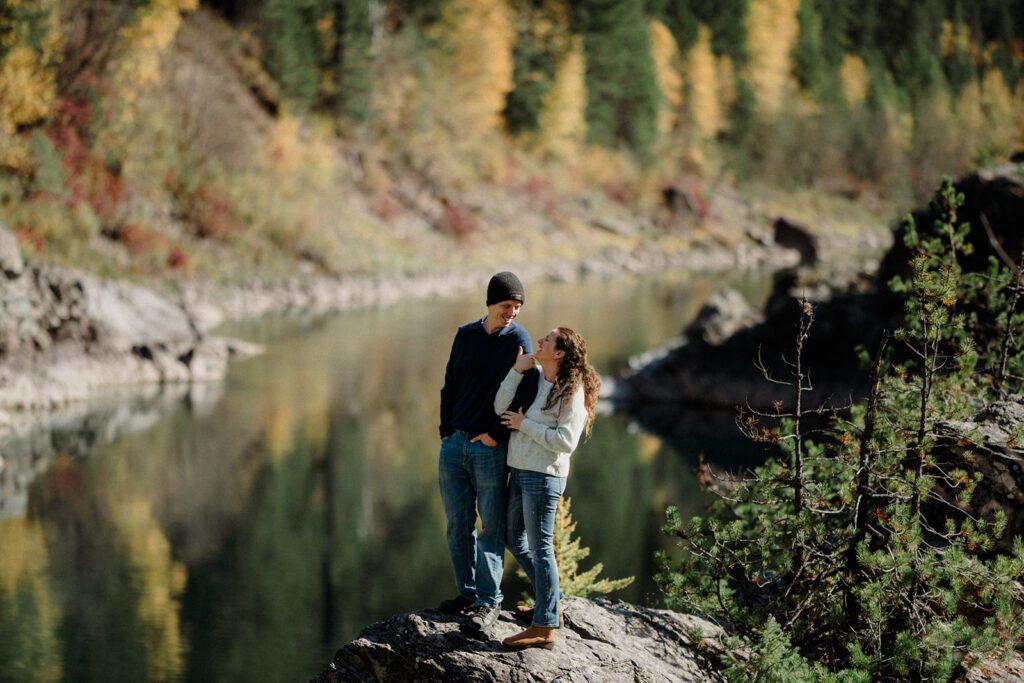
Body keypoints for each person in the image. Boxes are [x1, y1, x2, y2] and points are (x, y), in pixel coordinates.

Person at [437, 272, 532, 633]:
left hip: (490, 448)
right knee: (457, 525)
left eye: (518, 307)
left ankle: (489, 602)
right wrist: (445, 431)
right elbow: (450, 384)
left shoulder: (518, 340)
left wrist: (495, 433)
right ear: (490, 303)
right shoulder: (466, 335)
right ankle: (468, 593)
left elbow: (527, 391)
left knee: (490, 527)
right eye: (507, 305)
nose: (512, 313)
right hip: (454, 445)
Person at [494, 327, 600, 650]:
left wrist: (524, 424)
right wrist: (515, 370)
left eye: (547, 340)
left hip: (544, 478)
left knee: (541, 548)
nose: (539, 341)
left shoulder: (573, 390)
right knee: (515, 538)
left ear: (560, 353)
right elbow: (500, 409)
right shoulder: (535, 376)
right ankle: (552, 603)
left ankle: (544, 627)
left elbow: (566, 441)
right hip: (520, 470)